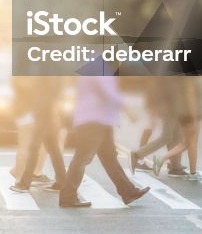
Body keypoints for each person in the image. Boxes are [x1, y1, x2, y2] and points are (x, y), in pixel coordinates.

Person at [59, 77, 150, 209]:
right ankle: (67, 197)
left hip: (101, 119)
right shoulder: (98, 64)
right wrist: (127, 110)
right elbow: (107, 91)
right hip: (94, 119)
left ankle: (128, 192)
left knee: (109, 157)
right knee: (83, 157)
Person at [9, 76, 66, 193]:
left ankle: (24, 184)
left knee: (34, 148)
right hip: (44, 112)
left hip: (44, 113)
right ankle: (62, 181)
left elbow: (51, 93)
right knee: (53, 149)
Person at [153, 78, 202, 179]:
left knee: (186, 143)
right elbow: (190, 95)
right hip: (191, 112)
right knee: (192, 142)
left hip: (184, 111)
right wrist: (194, 116)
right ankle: (193, 173)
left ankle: (161, 159)